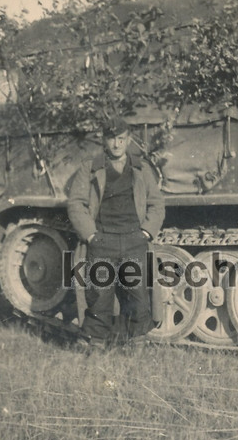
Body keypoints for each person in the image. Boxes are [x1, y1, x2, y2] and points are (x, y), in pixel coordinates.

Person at [67, 117, 165, 346]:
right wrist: (91, 235)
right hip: (103, 240)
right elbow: (76, 203)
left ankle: (137, 339)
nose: (117, 144)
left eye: (121, 139)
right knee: (99, 293)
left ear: (128, 140)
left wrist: (146, 233)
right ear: (104, 140)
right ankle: (96, 342)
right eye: (112, 139)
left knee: (137, 292)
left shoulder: (141, 168)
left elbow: (156, 204)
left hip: (134, 239)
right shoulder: (90, 168)